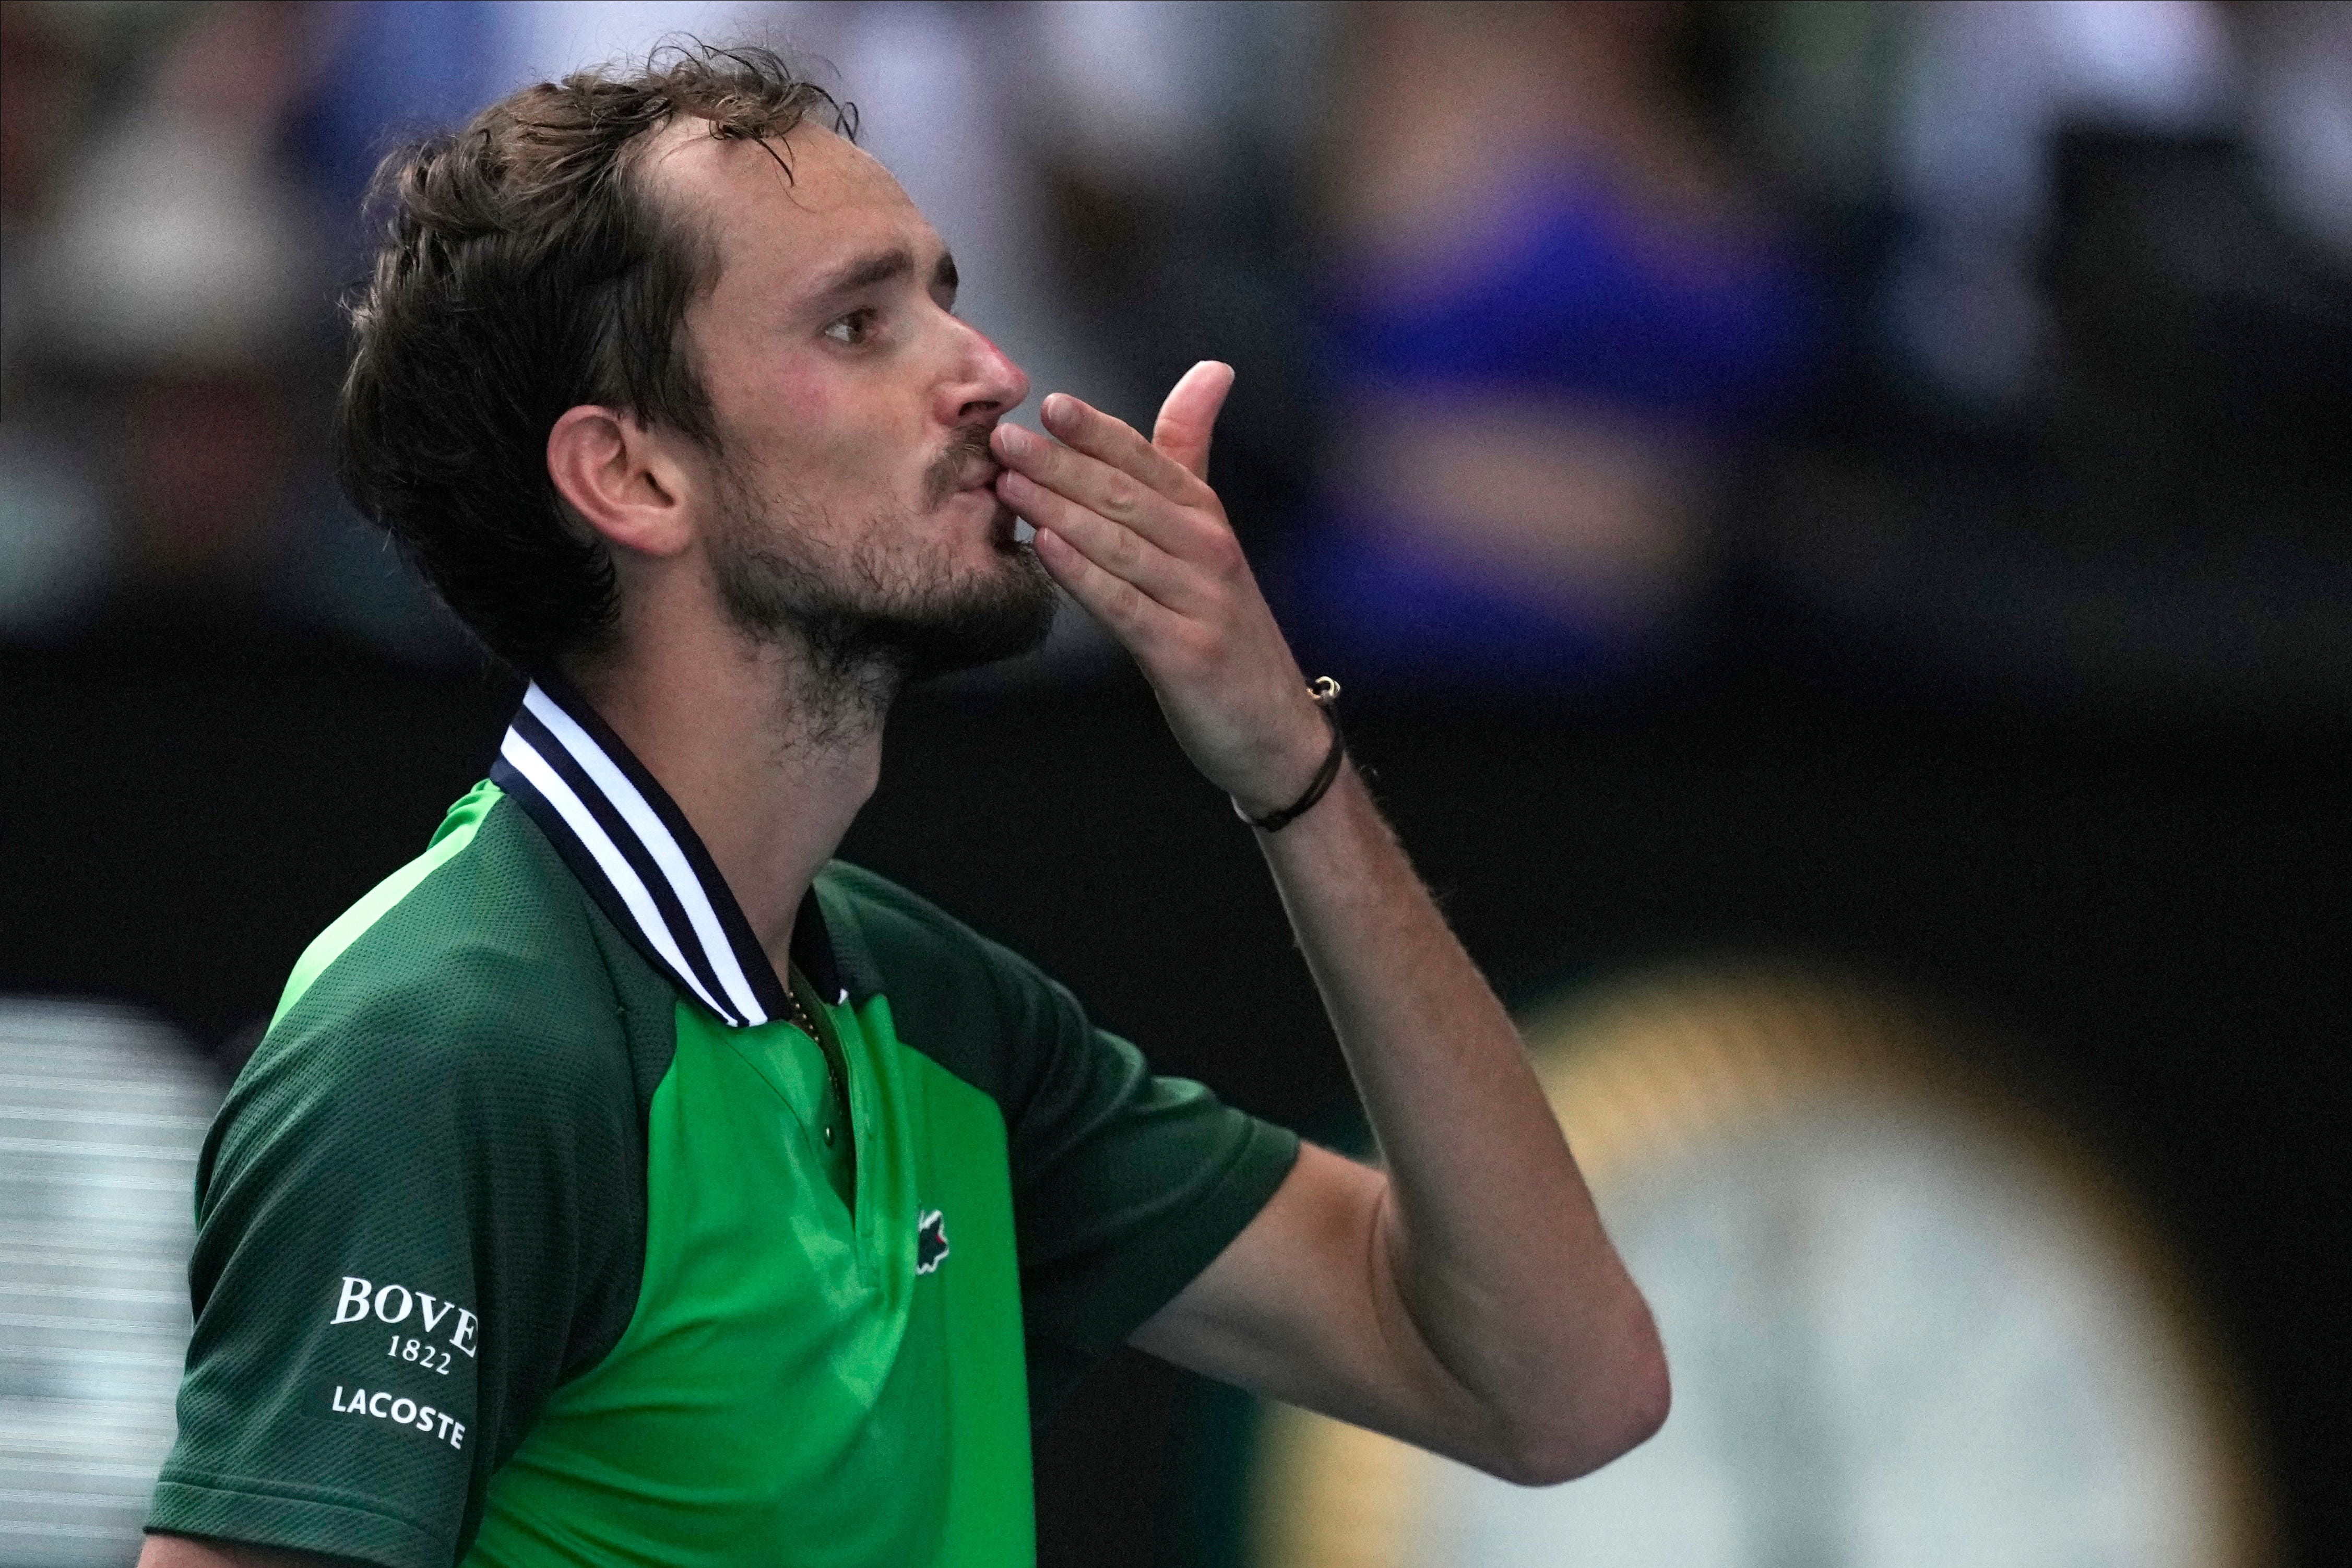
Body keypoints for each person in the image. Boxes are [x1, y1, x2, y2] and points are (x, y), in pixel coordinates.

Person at [139, 45, 1666, 1568]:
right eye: (859, 322)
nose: (988, 371)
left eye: (943, 293)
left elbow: (1561, 1389)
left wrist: (1293, 768)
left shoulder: (934, 1012)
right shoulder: (446, 1045)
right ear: (632, 475)